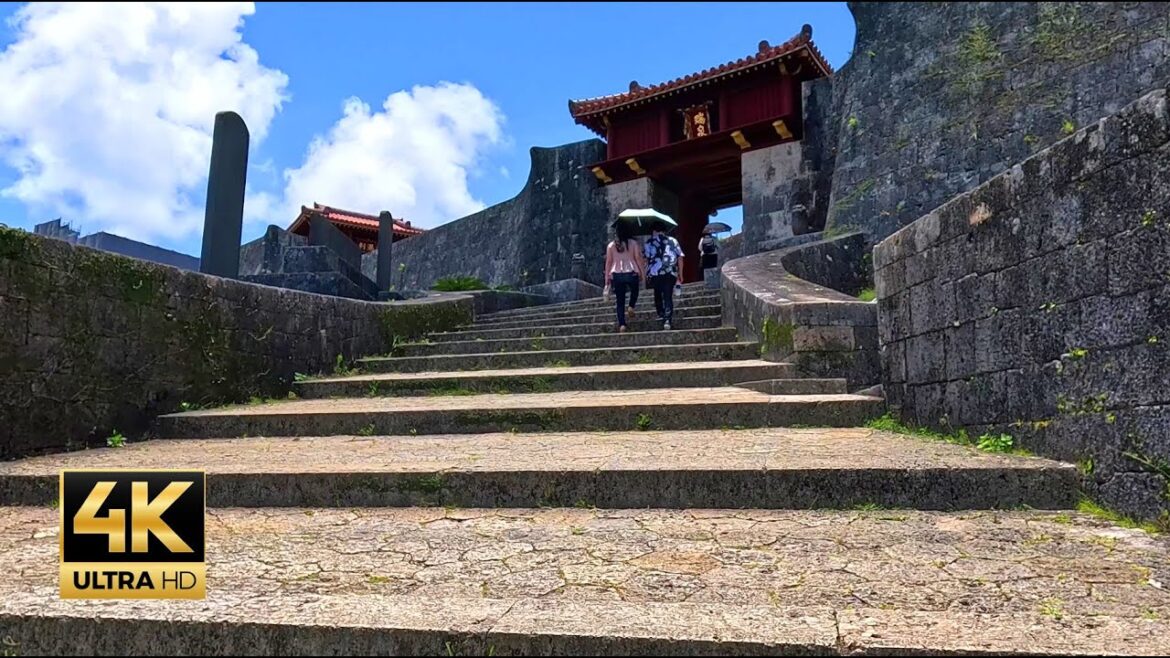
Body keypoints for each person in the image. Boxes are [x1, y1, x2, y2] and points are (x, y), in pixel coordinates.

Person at [604, 223, 645, 332]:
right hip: (631, 271)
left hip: (617, 274)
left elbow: (608, 262)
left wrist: (607, 278)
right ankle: (631, 305)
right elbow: (638, 258)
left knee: (620, 300)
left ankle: (622, 324)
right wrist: (642, 273)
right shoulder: (633, 243)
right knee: (635, 291)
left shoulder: (611, 246)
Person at [643, 225, 683, 330]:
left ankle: (661, 313)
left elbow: (646, 260)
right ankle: (667, 320)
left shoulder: (649, 242)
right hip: (670, 272)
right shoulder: (673, 240)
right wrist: (680, 274)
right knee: (668, 295)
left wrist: (645, 274)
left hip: (655, 273)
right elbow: (680, 257)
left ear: (654, 231)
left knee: (657, 294)